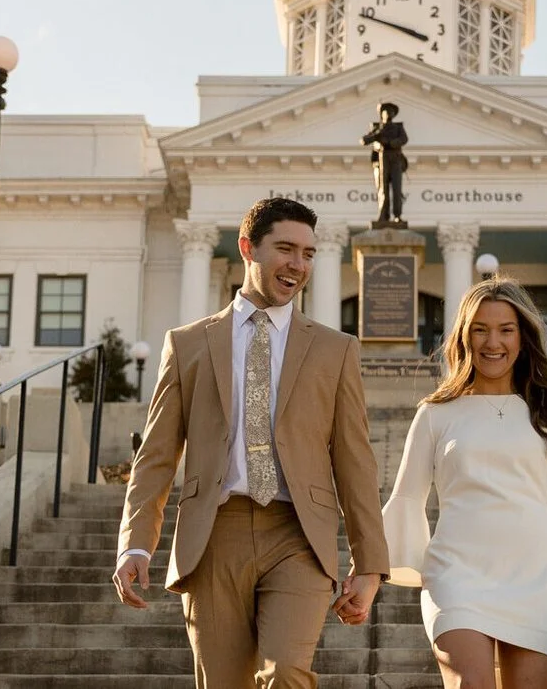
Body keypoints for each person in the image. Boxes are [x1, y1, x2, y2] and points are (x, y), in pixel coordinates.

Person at [113, 197, 388, 689]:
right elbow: (155, 455)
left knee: (286, 673)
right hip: (215, 533)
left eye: (307, 254)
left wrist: (369, 565)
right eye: (285, 249)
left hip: (299, 535)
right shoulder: (189, 343)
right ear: (248, 248)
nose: (298, 265)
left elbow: (354, 461)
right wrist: (135, 544)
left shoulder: (335, 349)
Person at [382, 278, 547, 689]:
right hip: (456, 575)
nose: (491, 342)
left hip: (537, 580)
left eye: (505, 329)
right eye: (479, 329)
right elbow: (406, 499)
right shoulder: (435, 414)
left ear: (523, 338)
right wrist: (369, 573)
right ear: (464, 336)